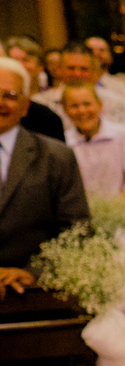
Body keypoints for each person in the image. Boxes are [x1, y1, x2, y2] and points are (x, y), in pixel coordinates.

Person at [0, 57, 88, 296]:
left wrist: (34, 272)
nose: (1, 103)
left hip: (36, 292)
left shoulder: (57, 157)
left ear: (26, 105)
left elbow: (76, 229)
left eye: (9, 95)